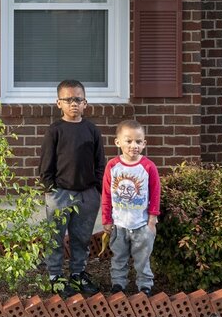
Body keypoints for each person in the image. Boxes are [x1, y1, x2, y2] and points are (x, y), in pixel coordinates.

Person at [39, 79, 104, 296]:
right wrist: (50, 188)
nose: (73, 103)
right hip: (60, 193)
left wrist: (96, 190)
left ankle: (77, 274)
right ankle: (55, 276)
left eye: (78, 99)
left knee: (82, 238)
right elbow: (46, 163)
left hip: (87, 195)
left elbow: (100, 163)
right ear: (59, 103)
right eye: (68, 100)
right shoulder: (55, 131)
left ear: (85, 103)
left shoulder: (92, 130)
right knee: (55, 237)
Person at [100, 119, 160, 296]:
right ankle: (118, 284)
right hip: (119, 224)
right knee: (119, 257)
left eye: (138, 141)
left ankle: (145, 285)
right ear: (117, 142)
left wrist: (152, 220)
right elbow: (106, 194)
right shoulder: (113, 166)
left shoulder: (148, 166)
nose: (134, 145)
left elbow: (155, 193)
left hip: (141, 224)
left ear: (144, 143)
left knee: (143, 258)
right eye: (129, 141)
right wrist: (106, 219)